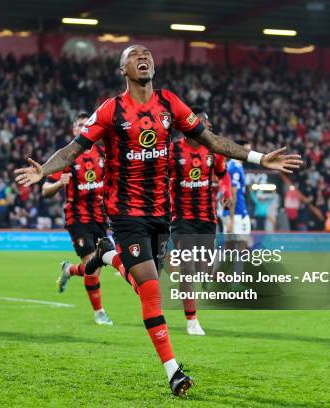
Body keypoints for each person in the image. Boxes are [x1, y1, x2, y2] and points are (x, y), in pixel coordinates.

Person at [15, 44, 302, 396]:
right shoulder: (111, 110)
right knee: (152, 293)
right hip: (126, 214)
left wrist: (259, 158)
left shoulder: (170, 103)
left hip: (161, 215)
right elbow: (74, 148)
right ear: (123, 69)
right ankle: (174, 371)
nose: (143, 58)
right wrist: (43, 169)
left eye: (147, 54)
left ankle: (106, 255)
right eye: (134, 55)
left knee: (150, 285)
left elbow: (210, 141)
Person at [42, 112, 113, 325]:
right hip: (78, 218)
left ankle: (69, 270)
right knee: (93, 266)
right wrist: (58, 183)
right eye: (80, 125)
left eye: (86, 124)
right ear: (74, 130)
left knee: (96, 267)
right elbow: (45, 190)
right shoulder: (67, 156)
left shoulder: (103, 152)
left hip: (100, 218)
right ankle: (99, 313)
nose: (83, 128)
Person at [168, 108, 231, 336]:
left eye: (208, 126)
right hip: (182, 217)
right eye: (203, 124)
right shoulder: (173, 151)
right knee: (187, 266)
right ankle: (192, 320)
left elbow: (223, 175)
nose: (207, 129)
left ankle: (209, 273)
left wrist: (226, 191)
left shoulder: (213, 151)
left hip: (207, 217)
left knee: (203, 269)